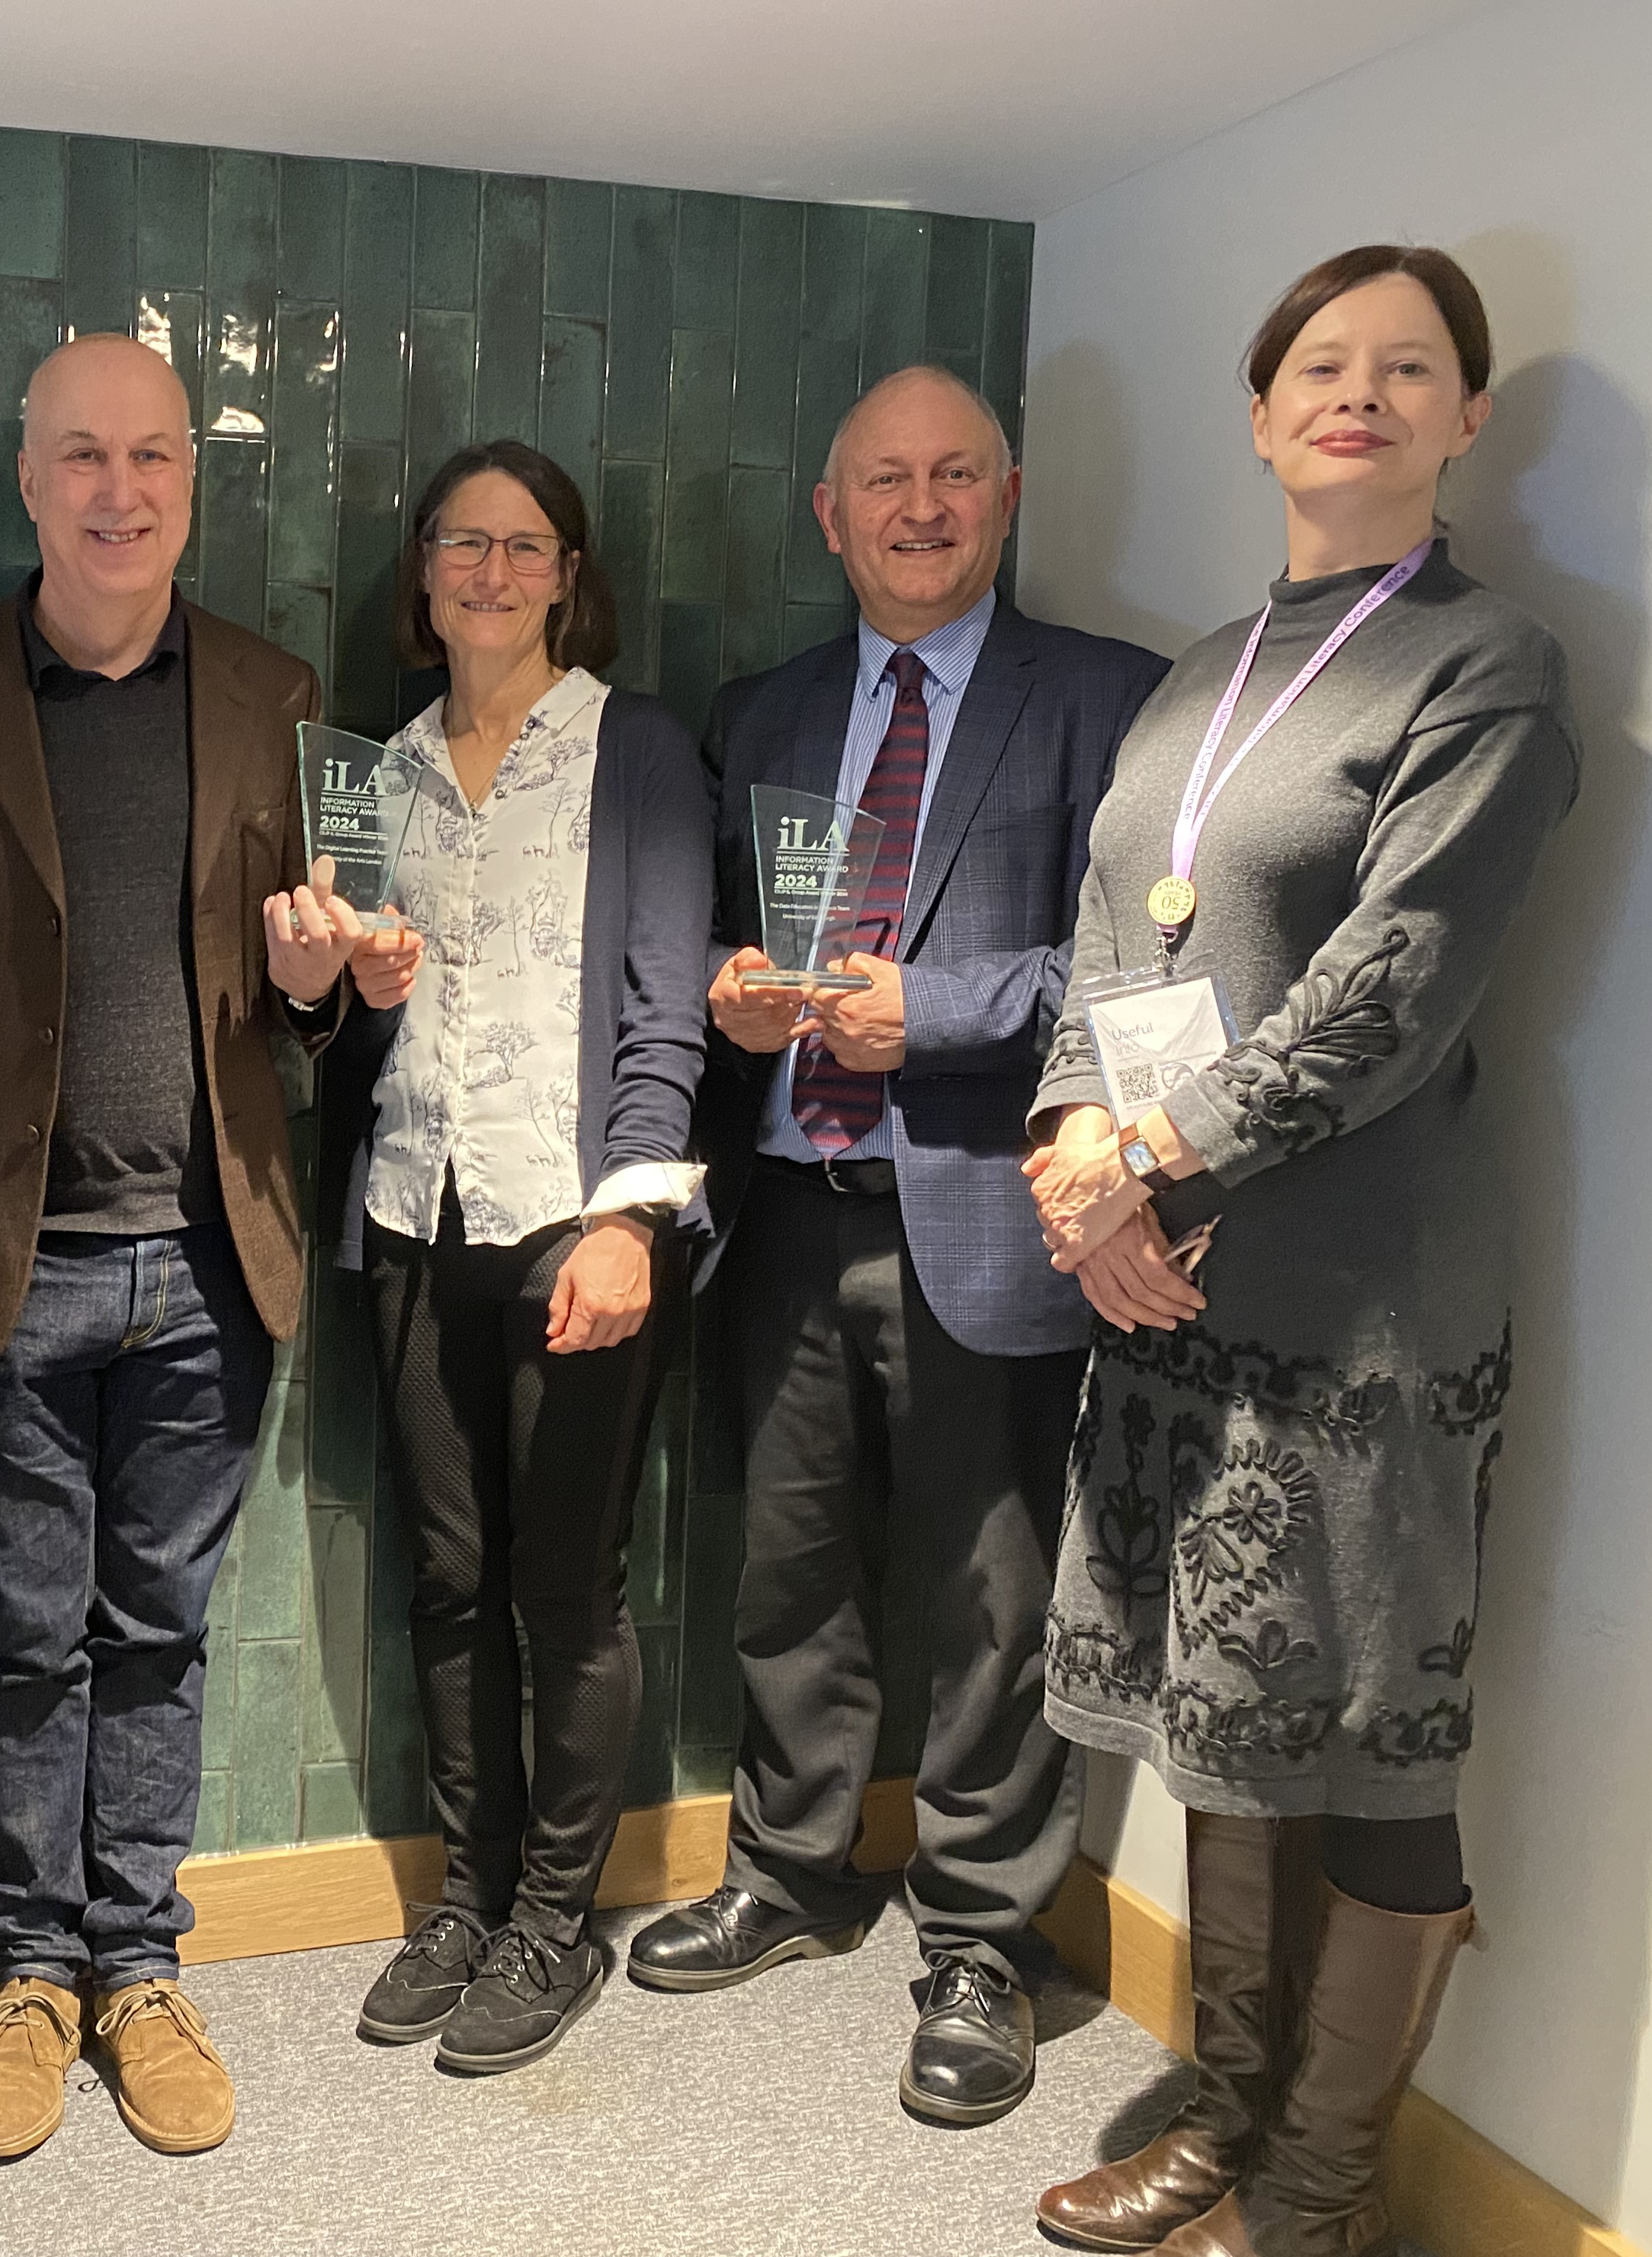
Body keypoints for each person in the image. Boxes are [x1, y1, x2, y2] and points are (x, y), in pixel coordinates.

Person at [1028, 249, 1573, 2257]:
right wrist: (1082, 1165)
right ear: (1262, 417)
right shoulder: (1201, 674)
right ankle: (1224, 2131)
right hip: (1174, 1289)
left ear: (1464, 419)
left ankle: (1320, 2196)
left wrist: (1148, 1161)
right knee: (1223, 1735)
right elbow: (1113, 942)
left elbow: (1387, 993)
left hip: (1364, 1310)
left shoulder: (1487, 666)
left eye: (1408, 366)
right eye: (1320, 366)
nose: (1360, 392)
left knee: (1368, 1748)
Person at [0, 333, 361, 2164]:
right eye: (81, 457)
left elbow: (316, 1000)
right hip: (0, 1262)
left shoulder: (282, 692)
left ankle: (140, 1966)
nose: (119, 491)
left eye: (152, 457)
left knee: (160, 1636)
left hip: (213, 1263)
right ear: (27, 476)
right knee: (15, 1642)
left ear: (190, 480)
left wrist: (312, 1001)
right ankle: (30, 1975)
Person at [626, 367, 1170, 2127]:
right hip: (783, 1210)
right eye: (884, 481)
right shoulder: (761, 709)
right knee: (785, 1575)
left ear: (1004, 497)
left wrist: (923, 1011)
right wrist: (725, 982)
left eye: (952, 477)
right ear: (830, 512)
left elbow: (1140, 971)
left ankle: (986, 1944)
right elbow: (707, 920)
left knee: (990, 1598)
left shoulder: (1109, 700)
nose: (919, 508)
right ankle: (790, 1874)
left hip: (988, 1212)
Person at [315, 441, 711, 2072]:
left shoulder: (640, 753)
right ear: (423, 572)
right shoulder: (374, 771)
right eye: (462, 544)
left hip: (577, 1226)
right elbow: (329, 1012)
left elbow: (670, 1008)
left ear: (569, 576)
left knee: (566, 1588)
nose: (491, 571)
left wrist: (631, 1220)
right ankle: (467, 1900)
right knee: (452, 1582)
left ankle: (558, 1919)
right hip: (418, 1215)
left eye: (525, 546)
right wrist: (331, 981)